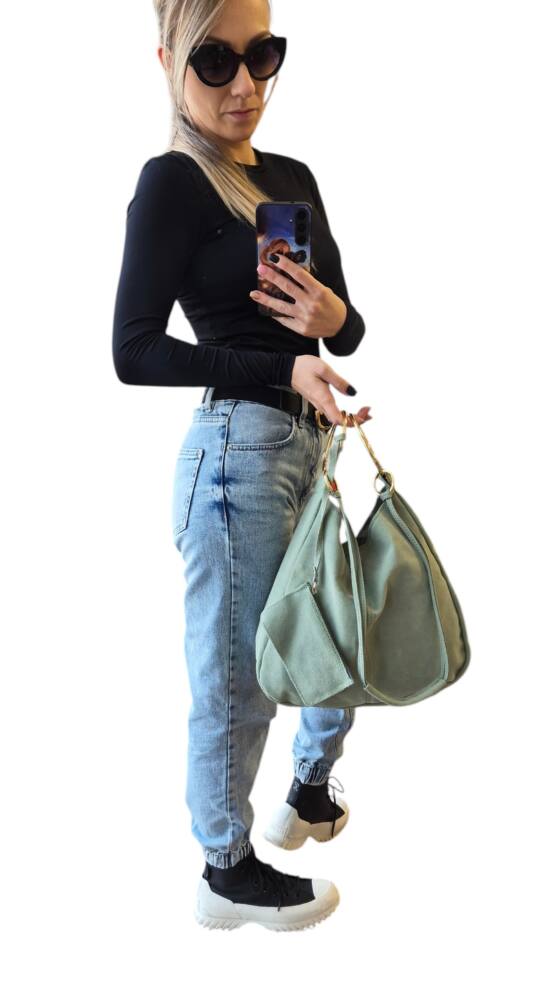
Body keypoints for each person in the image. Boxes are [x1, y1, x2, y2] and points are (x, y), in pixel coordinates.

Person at [112, 0, 372, 933]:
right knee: (237, 678)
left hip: (307, 445)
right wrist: (278, 367)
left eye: (262, 54)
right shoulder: (174, 182)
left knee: (339, 636)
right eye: (215, 62)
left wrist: (331, 322)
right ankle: (224, 870)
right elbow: (133, 350)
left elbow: (347, 326)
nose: (245, 84)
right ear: (169, 63)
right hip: (234, 455)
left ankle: (307, 788)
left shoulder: (292, 178)